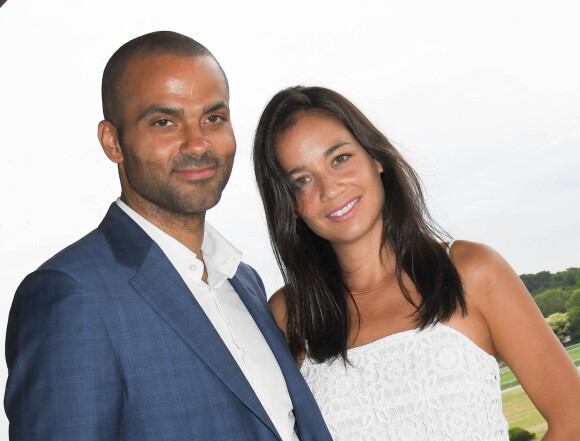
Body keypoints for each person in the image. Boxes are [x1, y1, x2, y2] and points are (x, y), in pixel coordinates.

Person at [4, 32, 332, 441]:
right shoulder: (70, 295)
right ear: (113, 141)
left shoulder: (243, 281)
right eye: (164, 122)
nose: (197, 143)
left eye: (213, 118)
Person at [253, 85, 580, 441]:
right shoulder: (290, 316)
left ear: (376, 158)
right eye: (301, 180)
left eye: (340, 158)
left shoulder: (471, 271)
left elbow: (573, 420)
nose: (329, 189)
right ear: (290, 206)